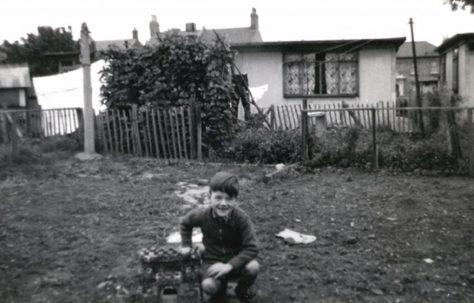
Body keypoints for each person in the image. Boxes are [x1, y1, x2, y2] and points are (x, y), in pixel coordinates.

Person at [180, 171, 259, 303]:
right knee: (208, 286)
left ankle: (242, 289)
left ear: (236, 200)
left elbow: (252, 248)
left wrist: (230, 266)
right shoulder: (202, 215)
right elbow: (185, 223)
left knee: (253, 266)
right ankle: (219, 291)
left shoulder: (242, 219)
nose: (223, 203)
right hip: (212, 261)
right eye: (218, 197)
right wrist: (186, 245)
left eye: (229, 198)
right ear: (209, 196)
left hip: (236, 261)